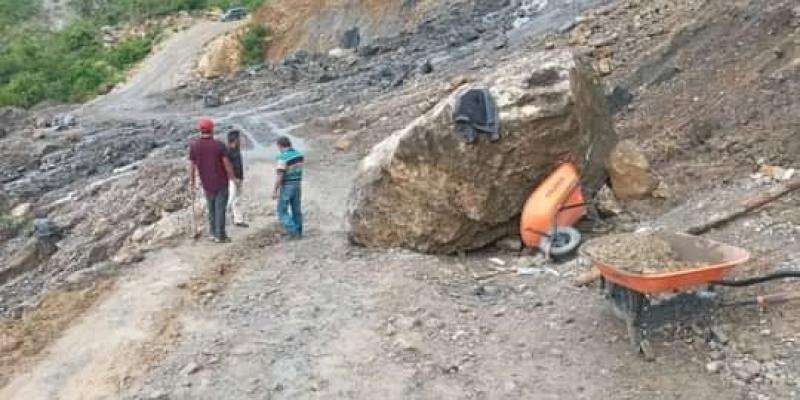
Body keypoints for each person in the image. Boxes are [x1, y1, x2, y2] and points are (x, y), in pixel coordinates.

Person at [189, 118, 235, 243]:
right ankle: (220, 236)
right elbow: (226, 164)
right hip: (221, 182)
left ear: (200, 130)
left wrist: (192, 182)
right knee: (220, 209)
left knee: (211, 208)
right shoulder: (219, 145)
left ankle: (212, 233)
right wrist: (232, 179)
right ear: (212, 129)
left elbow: (192, 166)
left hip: (206, 183)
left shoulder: (194, 146)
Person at [273, 136, 303, 238]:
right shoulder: (299, 155)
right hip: (297, 184)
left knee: (282, 211)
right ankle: (299, 230)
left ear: (280, 146)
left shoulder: (282, 157)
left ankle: (293, 231)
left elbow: (280, 175)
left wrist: (275, 190)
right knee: (296, 209)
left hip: (287, 185)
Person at [226, 129, 248, 228]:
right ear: (235, 139)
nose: (240, 140)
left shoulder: (237, 149)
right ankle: (223, 216)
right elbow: (227, 165)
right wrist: (233, 177)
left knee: (237, 199)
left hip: (239, 177)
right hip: (232, 178)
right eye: (239, 138)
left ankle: (238, 220)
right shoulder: (228, 151)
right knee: (231, 198)